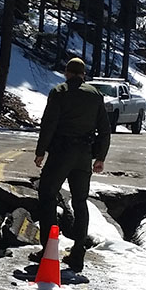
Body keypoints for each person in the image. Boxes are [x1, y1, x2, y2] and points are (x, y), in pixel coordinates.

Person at [33, 57, 111, 273]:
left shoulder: (59, 92)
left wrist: (41, 152)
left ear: (67, 72)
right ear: (83, 74)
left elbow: (49, 124)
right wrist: (100, 157)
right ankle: (77, 254)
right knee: (80, 202)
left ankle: (48, 250)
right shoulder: (95, 95)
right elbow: (104, 130)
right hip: (83, 156)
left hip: (60, 153)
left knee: (47, 196)